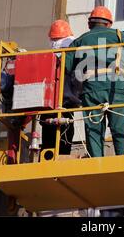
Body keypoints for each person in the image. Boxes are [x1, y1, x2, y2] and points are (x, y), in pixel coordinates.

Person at [65, 6, 124, 157]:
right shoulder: (119, 36)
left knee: (93, 130)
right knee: (121, 128)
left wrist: (69, 96)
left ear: (89, 24)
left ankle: (96, 163)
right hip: (118, 87)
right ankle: (123, 160)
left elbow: (66, 69)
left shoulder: (79, 41)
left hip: (91, 89)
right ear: (108, 24)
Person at [40, 19, 81, 155]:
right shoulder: (74, 50)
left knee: (49, 134)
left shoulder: (48, 57)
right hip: (67, 103)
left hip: (50, 104)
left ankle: (48, 157)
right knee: (66, 129)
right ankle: (62, 156)